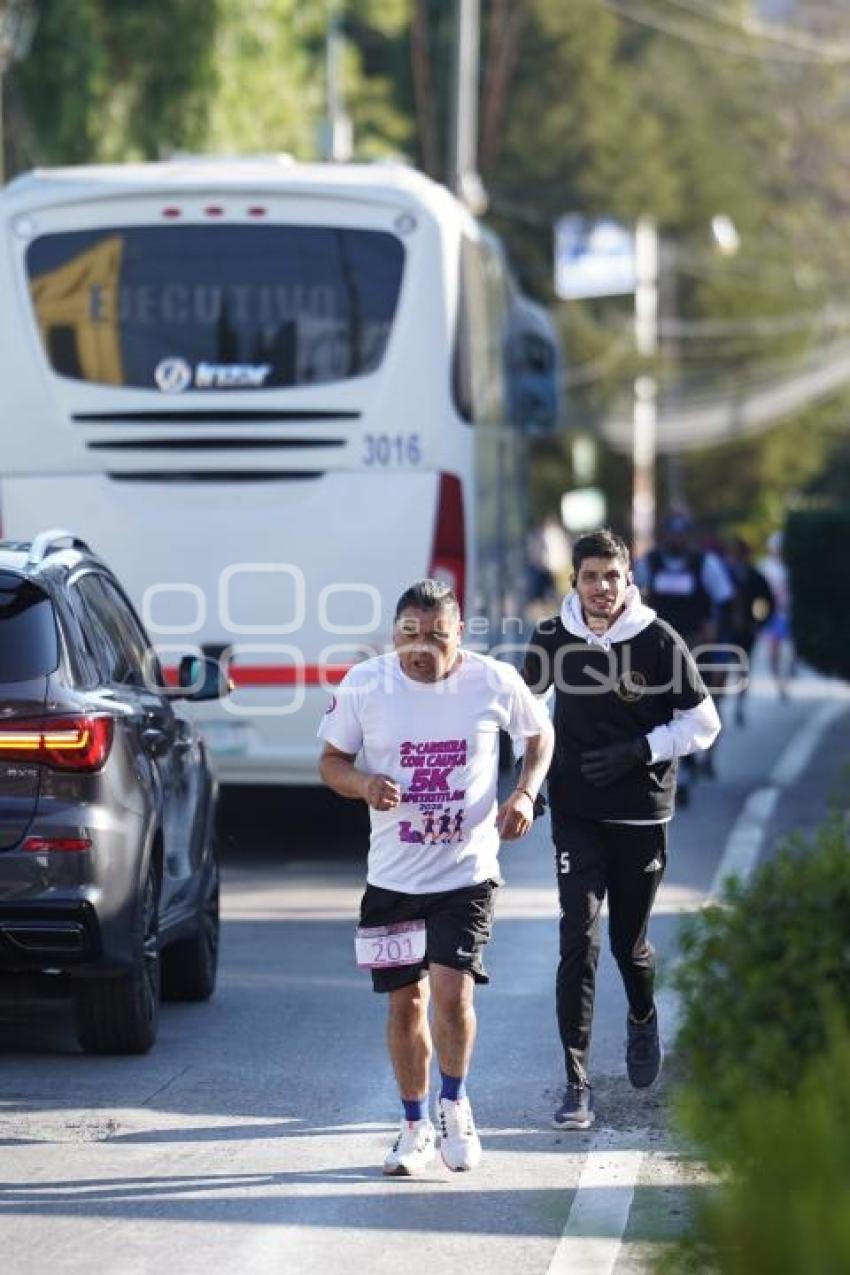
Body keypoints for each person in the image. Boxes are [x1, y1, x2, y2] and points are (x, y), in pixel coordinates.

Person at [318, 579, 554, 1176]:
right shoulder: (366, 684)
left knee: (452, 994)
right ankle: (413, 1124)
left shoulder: (492, 681)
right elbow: (330, 763)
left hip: (466, 872)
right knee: (406, 1004)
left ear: (458, 634)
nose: (422, 649)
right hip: (393, 876)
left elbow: (539, 734)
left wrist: (524, 793)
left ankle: (455, 1103)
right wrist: (364, 785)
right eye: (410, 636)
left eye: (437, 637)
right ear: (395, 633)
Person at [522, 529, 720, 1131]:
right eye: (590, 577)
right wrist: (523, 779)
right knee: (577, 940)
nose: (602, 589)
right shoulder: (553, 638)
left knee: (627, 945)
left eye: (612, 577)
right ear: (574, 581)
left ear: (627, 579)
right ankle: (576, 1082)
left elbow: (703, 722)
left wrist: (642, 749)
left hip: (640, 812)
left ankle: (641, 1017)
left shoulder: (658, 640)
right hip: (577, 812)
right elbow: (519, 710)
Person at [633, 513, 733, 796]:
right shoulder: (649, 563)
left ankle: (689, 766)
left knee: (690, 705)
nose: (676, 538)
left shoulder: (705, 564)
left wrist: (714, 629)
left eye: (681, 532)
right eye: (671, 531)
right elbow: (631, 596)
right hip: (657, 648)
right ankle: (658, 757)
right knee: (655, 706)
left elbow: (724, 600)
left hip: (696, 647)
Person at [722, 537, 775, 725]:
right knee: (722, 669)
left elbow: (768, 601)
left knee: (743, 670)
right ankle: (720, 704)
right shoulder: (725, 574)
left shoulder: (755, 576)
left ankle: (739, 705)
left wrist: (758, 623)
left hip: (746, 631)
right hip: (727, 631)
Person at [758, 530, 795, 701]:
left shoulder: (792, 566)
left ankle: (786, 680)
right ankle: (780, 684)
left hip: (789, 614)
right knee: (773, 651)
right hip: (773, 615)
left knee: (790, 652)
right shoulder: (765, 566)